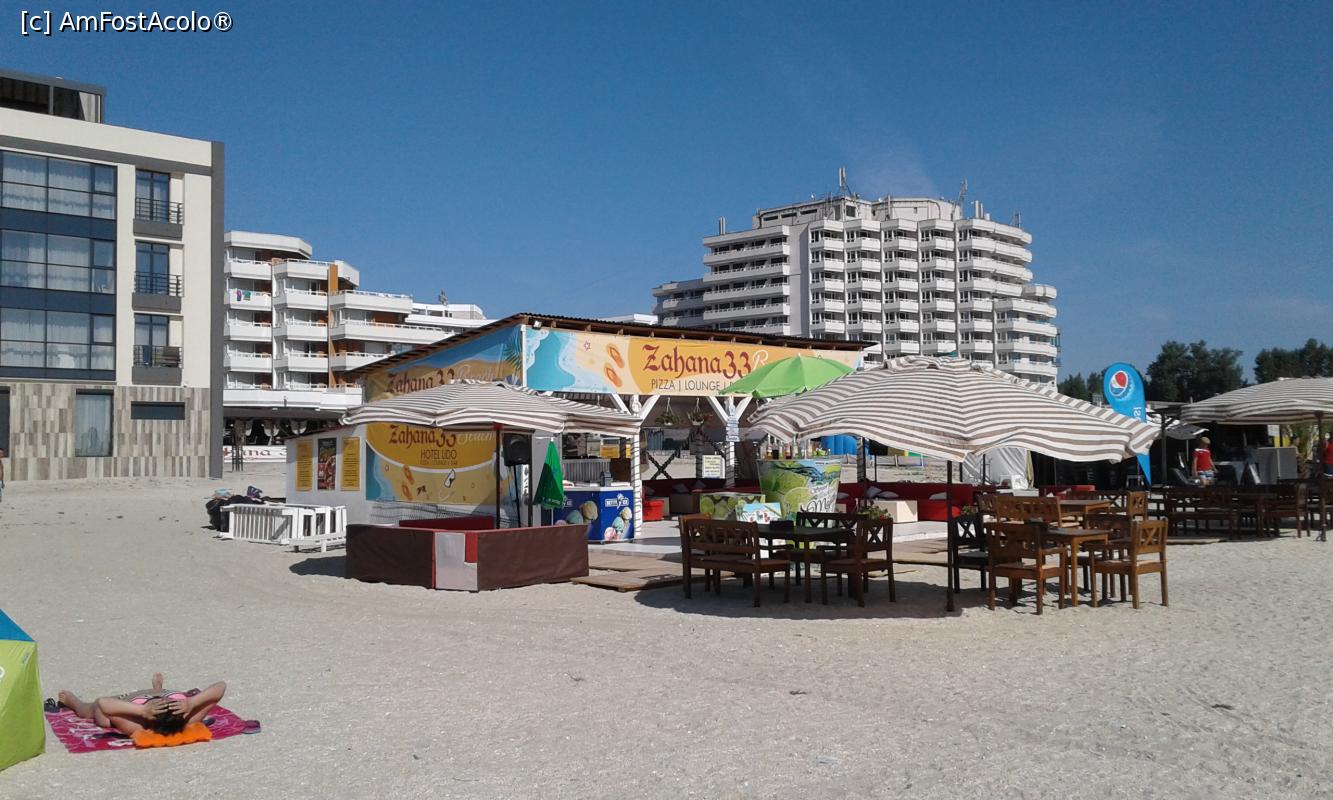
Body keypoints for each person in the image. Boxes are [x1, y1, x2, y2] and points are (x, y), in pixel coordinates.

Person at [57, 673, 226, 736]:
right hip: (146, 697)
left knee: (91, 710)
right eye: (171, 701)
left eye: (162, 703)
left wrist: (143, 710)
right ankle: (157, 688)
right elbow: (221, 686)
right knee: (157, 693)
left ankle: (74, 701)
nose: (165, 700)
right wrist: (192, 702)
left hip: (125, 704)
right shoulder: (188, 716)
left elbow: (103, 703)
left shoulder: (136, 725)